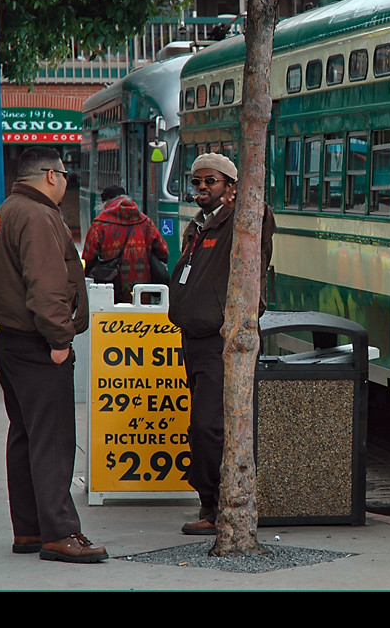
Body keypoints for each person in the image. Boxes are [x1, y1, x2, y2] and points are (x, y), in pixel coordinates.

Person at [0, 147, 108, 563]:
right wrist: (59, 340)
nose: (67, 181)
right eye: (66, 174)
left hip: (11, 340)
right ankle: (59, 532)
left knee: (25, 436)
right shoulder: (38, 216)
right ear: (51, 176)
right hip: (38, 343)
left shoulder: (5, 211)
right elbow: (47, 286)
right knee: (51, 440)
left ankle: (29, 529)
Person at [167, 153, 275, 535]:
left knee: (207, 427)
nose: (201, 188)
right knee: (203, 426)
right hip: (192, 341)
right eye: (196, 182)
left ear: (230, 187)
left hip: (218, 341)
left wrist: (245, 199)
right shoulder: (198, 227)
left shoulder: (241, 221)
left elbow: (261, 216)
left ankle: (214, 507)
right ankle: (209, 503)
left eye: (210, 181)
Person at [82, 185, 169, 303]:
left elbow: (88, 258)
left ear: (105, 204)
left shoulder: (99, 225)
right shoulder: (145, 222)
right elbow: (163, 252)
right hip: (142, 292)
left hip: (110, 292)